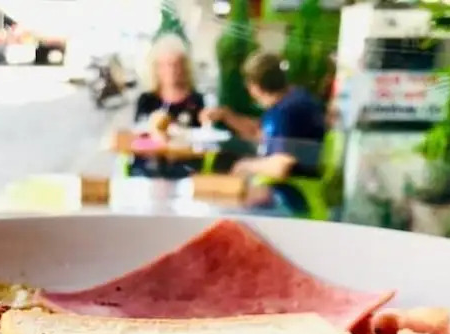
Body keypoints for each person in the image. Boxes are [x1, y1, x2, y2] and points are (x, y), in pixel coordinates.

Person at [202, 52, 326, 215]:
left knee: (222, 210)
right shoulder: (290, 101)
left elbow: (282, 165)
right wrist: (227, 116)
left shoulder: (286, 112)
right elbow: (261, 134)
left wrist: (245, 165)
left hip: (292, 199)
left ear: (254, 86)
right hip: (293, 192)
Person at [130, 34, 205, 178]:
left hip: (184, 166)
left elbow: (200, 140)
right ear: (156, 69)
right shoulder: (147, 100)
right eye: (165, 65)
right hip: (148, 167)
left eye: (176, 64)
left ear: (185, 67)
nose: (171, 70)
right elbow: (138, 138)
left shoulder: (196, 100)